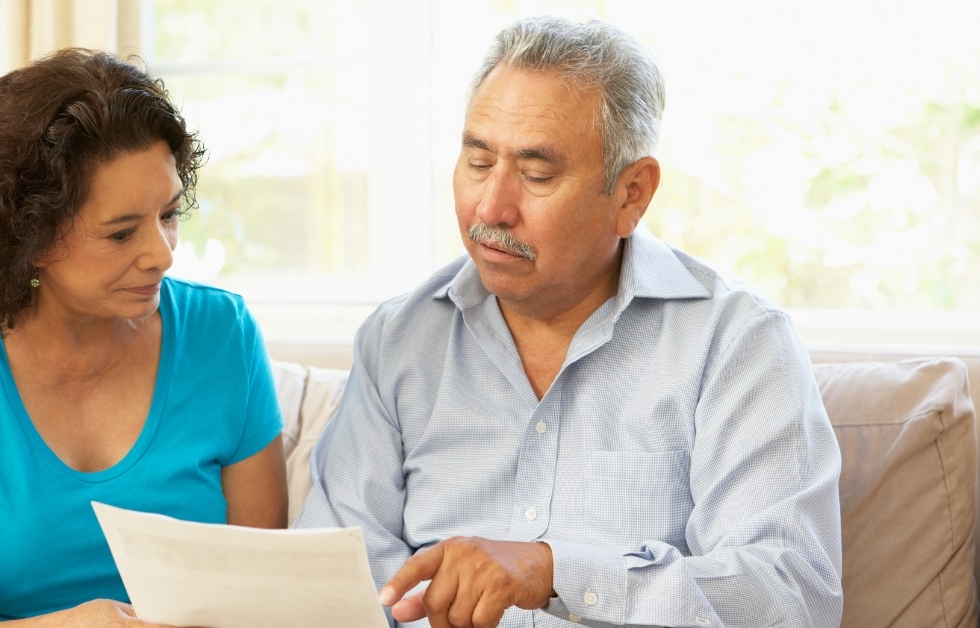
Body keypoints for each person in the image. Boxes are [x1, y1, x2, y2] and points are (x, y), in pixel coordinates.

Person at [294, 16, 843, 628]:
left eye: (536, 175)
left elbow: (791, 596)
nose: (491, 208)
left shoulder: (736, 344)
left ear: (632, 192)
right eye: (477, 162)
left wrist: (556, 571)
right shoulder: (397, 340)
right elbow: (327, 580)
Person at [0, 48, 288, 628]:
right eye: (122, 233)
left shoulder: (222, 334)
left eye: (170, 214)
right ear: (30, 234)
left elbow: (259, 588)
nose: (163, 254)